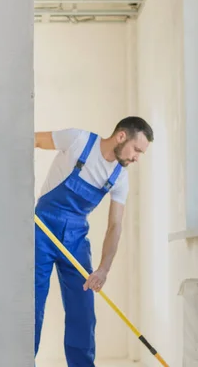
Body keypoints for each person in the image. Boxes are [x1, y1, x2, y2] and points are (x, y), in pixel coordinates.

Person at [33, 116, 153, 367]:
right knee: (31, 306)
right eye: (137, 150)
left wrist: (103, 269)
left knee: (83, 313)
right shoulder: (77, 139)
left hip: (75, 239)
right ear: (121, 136)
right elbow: (31, 141)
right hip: (40, 230)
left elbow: (115, 225)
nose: (136, 158)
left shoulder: (120, 177)